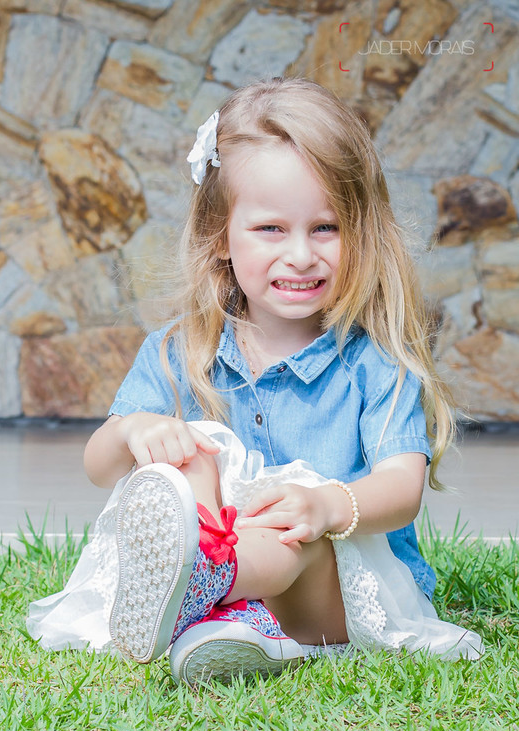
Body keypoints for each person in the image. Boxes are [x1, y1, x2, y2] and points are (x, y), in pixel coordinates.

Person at [27, 78, 481, 687]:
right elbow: (100, 466)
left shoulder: (375, 363)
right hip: (229, 555)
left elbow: (402, 488)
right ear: (221, 238)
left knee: (292, 536)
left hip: (330, 589)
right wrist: (138, 431)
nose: (300, 255)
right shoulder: (179, 351)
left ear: (362, 235)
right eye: (271, 229)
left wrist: (326, 507)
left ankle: (195, 590)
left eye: (325, 228)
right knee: (187, 456)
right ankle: (221, 625)